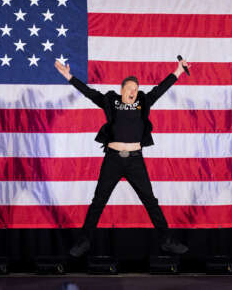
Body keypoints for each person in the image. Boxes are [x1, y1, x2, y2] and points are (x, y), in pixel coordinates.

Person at [54, 59, 191, 257]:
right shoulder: (111, 101)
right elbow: (90, 93)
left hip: (135, 160)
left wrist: (177, 71)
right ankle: (84, 241)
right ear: (122, 89)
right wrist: (69, 77)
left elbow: (160, 89)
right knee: (99, 201)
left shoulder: (143, 102)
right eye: (130, 88)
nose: (133, 91)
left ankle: (167, 240)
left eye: (136, 89)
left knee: (150, 201)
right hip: (113, 160)